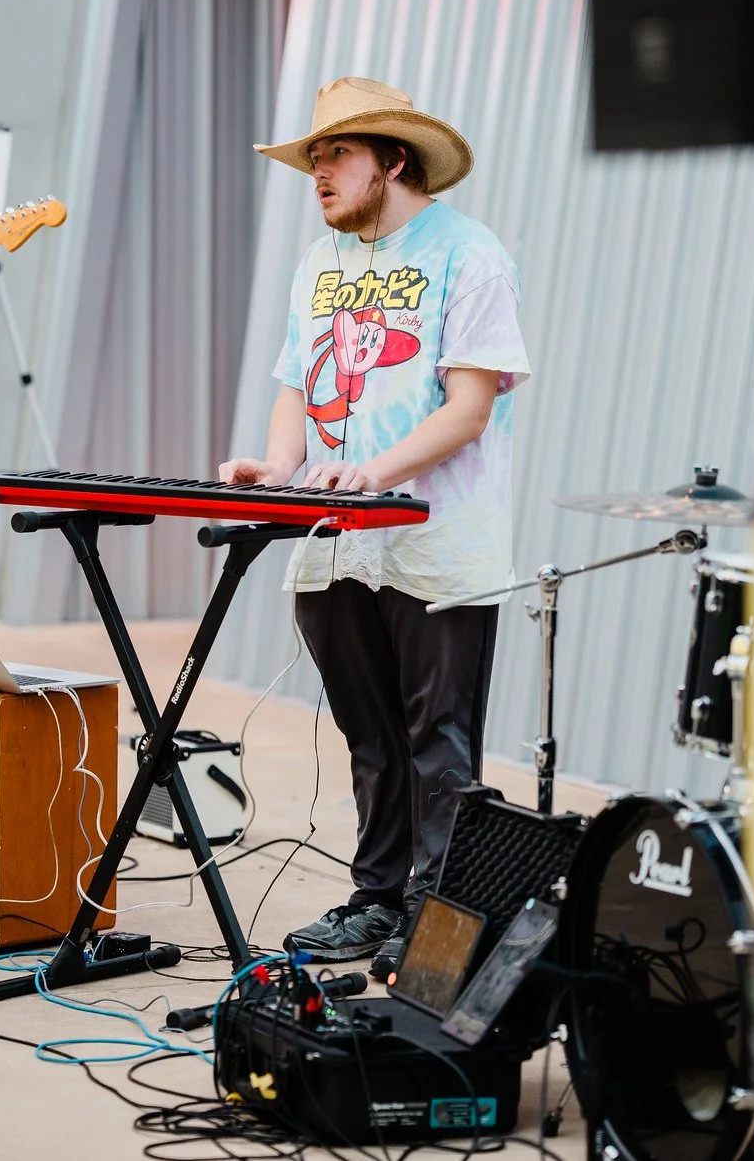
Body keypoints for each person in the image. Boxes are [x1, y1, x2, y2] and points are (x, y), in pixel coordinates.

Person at [220, 77, 529, 972]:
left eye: (335, 154)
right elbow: (295, 386)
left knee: (439, 744)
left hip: (437, 539)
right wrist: (279, 471)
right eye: (312, 156)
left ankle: (436, 923)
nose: (317, 172)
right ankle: (376, 898)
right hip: (332, 541)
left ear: (392, 160)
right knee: (371, 737)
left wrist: (373, 474)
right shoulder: (319, 263)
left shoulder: (470, 255)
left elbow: (468, 406)